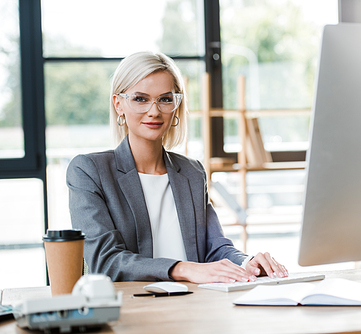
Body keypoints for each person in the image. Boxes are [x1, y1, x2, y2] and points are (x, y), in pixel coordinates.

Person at [67, 51, 288, 283]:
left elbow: (215, 248)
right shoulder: (89, 171)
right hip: (132, 309)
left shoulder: (192, 172)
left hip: (192, 304)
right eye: (140, 99)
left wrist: (247, 264)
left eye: (165, 99)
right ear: (118, 104)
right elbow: (105, 261)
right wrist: (182, 269)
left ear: (176, 105)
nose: (154, 111)